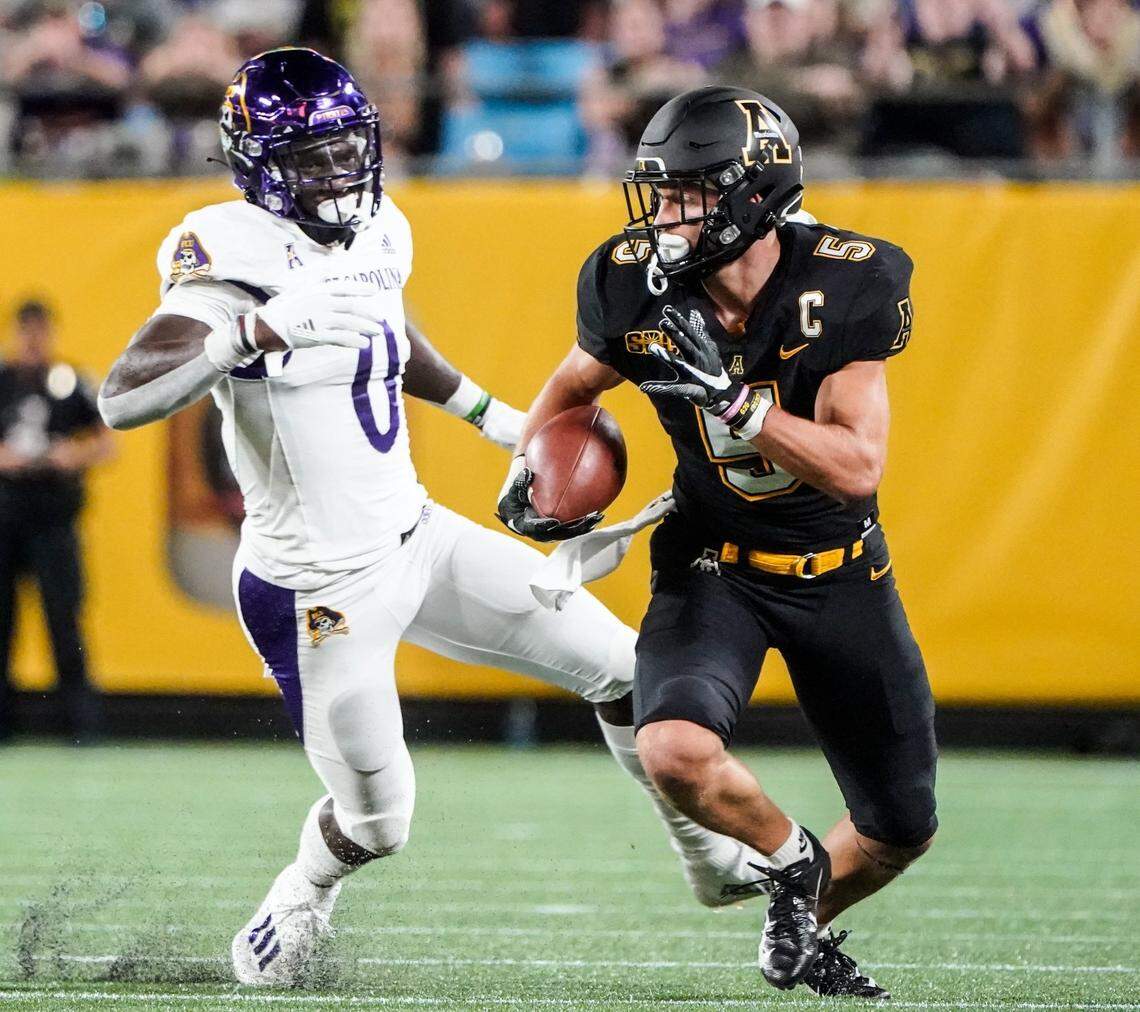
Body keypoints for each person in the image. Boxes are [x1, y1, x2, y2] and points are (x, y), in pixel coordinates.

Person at [97, 50, 780, 987]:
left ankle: (707, 863)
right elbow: (122, 398)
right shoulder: (227, 254)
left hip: (415, 534)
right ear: (255, 164)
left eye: (348, 152)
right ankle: (304, 887)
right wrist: (248, 332)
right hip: (315, 589)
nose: (339, 177)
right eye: (312, 159)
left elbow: (385, 331)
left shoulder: (380, 224)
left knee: (627, 670)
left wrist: (504, 421)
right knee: (382, 822)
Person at [498, 85, 938, 998]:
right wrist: (531, 468)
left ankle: (801, 917)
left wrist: (737, 403)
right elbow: (573, 385)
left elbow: (856, 467)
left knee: (901, 828)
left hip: (839, 570)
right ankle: (787, 866)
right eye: (659, 195)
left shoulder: (850, 279)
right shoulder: (630, 280)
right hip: (713, 565)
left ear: (752, 194)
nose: (665, 218)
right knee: (671, 750)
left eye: (689, 196)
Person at [0, 299, 115, 743]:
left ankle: (82, 723)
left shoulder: (70, 381)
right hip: (6, 516)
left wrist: (74, 454)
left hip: (53, 518)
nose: (32, 340)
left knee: (65, 620)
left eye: (39, 331)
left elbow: (108, 441)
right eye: (25, 331)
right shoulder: (3, 381)